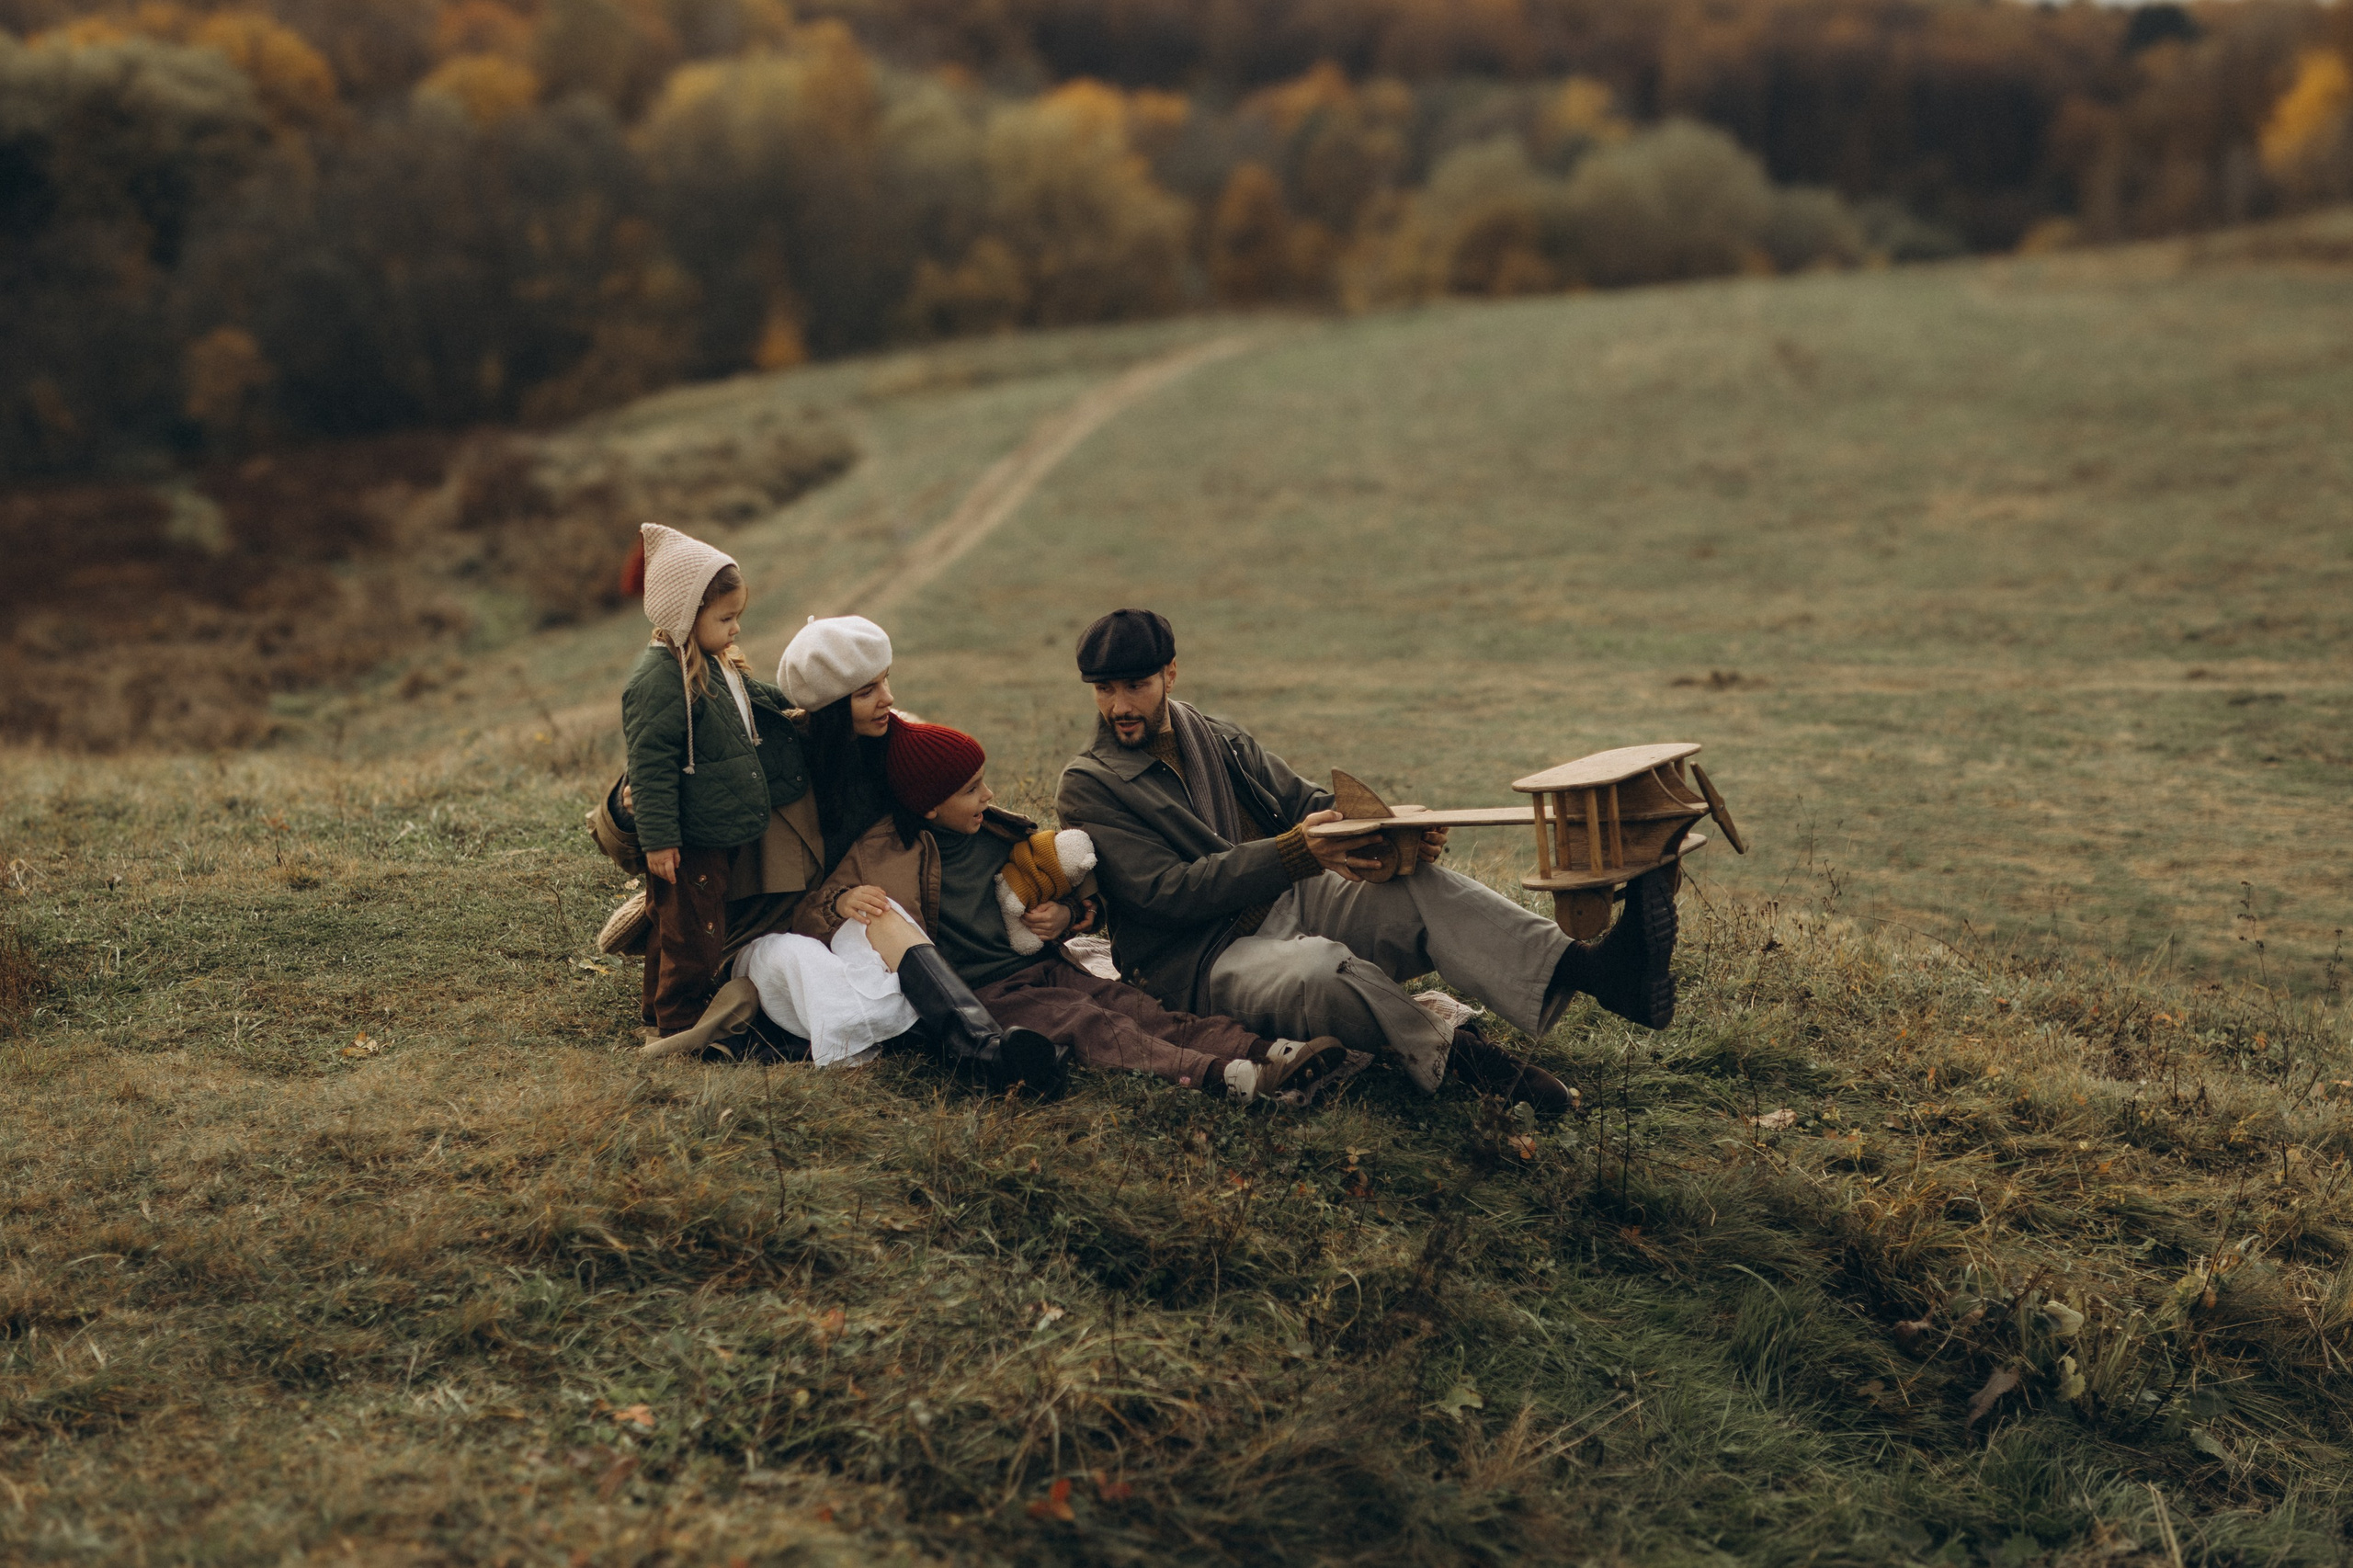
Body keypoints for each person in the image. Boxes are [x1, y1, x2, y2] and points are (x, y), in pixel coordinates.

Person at [1053, 608, 1683, 1113]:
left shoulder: (1213, 735)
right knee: (1320, 971)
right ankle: (1464, 1060)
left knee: (1419, 887)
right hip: (1195, 960)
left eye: (1135, 685)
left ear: (1170, 675)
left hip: (1284, 897)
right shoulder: (1091, 783)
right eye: (1104, 691)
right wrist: (1298, 850)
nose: (1120, 707)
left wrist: (1393, 834)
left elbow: (1306, 803)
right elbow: (1165, 894)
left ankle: (1599, 971)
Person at [799, 717, 1350, 1103]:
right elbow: (808, 911)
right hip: (983, 996)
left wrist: (1070, 915)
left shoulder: (996, 832)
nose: (988, 795)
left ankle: (1268, 1050)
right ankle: (1222, 1074)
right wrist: (841, 901)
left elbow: (1074, 882)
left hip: (1047, 966)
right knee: (1087, 1023)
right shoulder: (881, 853)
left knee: (1132, 1006)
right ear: (929, 805)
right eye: (971, 789)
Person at [619, 524, 808, 1034]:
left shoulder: (714, 663)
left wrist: (801, 702)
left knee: (676, 924)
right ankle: (682, 1021)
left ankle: (656, 1009)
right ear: (686, 615)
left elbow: (758, 697)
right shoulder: (658, 681)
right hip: (688, 837)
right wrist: (659, 842)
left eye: (737, 617)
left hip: (715, 829)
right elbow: (650, 768)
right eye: (726, 618)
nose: (736, 628)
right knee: (693, 933)